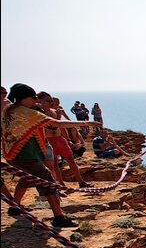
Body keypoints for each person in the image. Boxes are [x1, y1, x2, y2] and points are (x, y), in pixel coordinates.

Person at [2, 83, 100, 227]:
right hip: (24, 155)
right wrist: (88, 123)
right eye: (33, 97)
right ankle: (59, 217)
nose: (35, 100)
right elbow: (56, 123)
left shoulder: (8, 110)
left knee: (26, 179)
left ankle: (15, 207)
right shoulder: (27, 113)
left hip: (11, 154)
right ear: (24, 98)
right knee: (47, 180)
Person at [36, 92, 90, 187]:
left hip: (59, 139)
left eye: (51, 101)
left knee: (70, 159)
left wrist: (68, 139)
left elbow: (61, 127)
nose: (51, 103)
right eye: (48, 101)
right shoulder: (39, 113)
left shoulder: (55, 112)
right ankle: (61, 183)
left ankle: (81, 181)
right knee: (55, 163)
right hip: (49, 140)